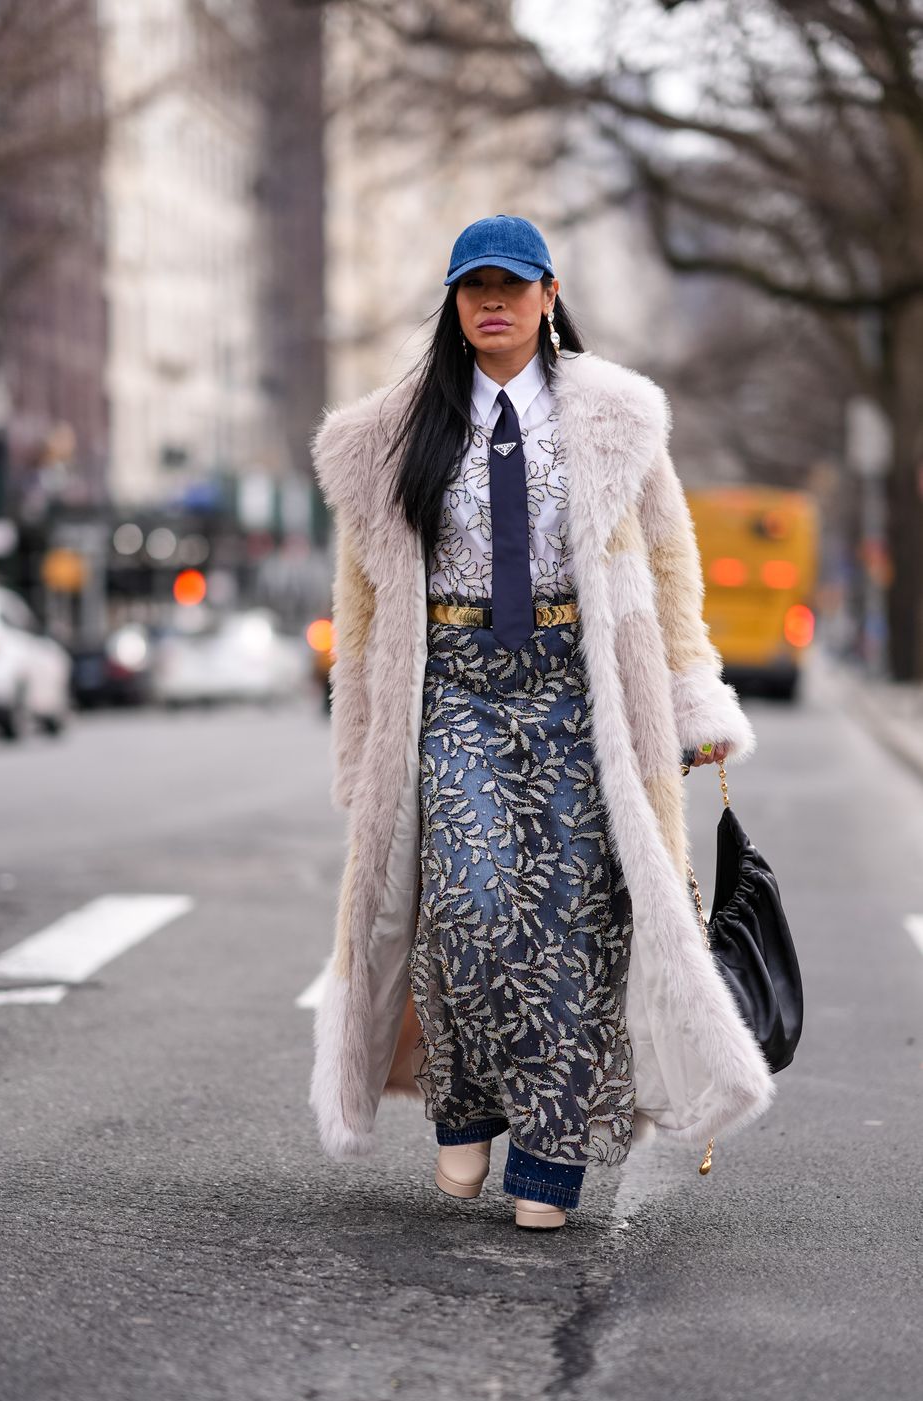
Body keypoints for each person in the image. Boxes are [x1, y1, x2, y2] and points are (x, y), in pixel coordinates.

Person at [307, 214, 774, 1231]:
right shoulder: (388, 434)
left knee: (573, 924)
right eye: (472, 284)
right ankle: (464, 1101)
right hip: (455, 691)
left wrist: (692, 697)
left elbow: (665, 564)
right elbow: (364, 600)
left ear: (548, 296)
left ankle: (551, 1161)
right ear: (452, 299)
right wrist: (359, 735)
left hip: (582, 690)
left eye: (510, 285)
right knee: (466, 904)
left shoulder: (617, 417)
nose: (491, 301)